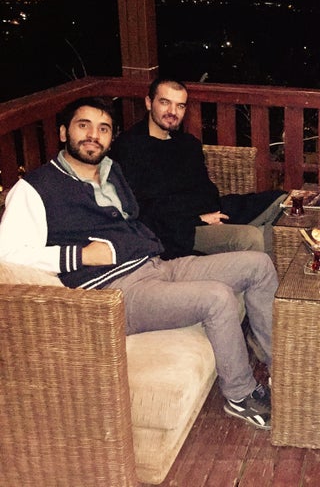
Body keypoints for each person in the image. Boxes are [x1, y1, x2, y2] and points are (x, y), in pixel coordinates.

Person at [0, 97, 276, 430]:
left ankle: (280, 369)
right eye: (83, 126)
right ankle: (240, 395)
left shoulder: (112, 172)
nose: (93, 135)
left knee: (258, 265)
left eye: (103, 129)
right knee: (217, 297)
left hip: (156, 265)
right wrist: (79, 255)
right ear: (63, 133)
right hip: (115, 293)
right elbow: (7, 255)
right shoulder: (35, 188)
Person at [110, 77, 285, 260]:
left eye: (180, 106)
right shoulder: (130, 147)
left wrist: (208, 214)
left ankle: (261, 267)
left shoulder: (188, 144)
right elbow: (142, 209)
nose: (172, 112)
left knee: (281, 202)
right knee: (249, 237)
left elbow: (207, 191)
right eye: (165, 102)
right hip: (176, 231)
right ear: (149, 103)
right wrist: (198, 219)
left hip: (209, 211)